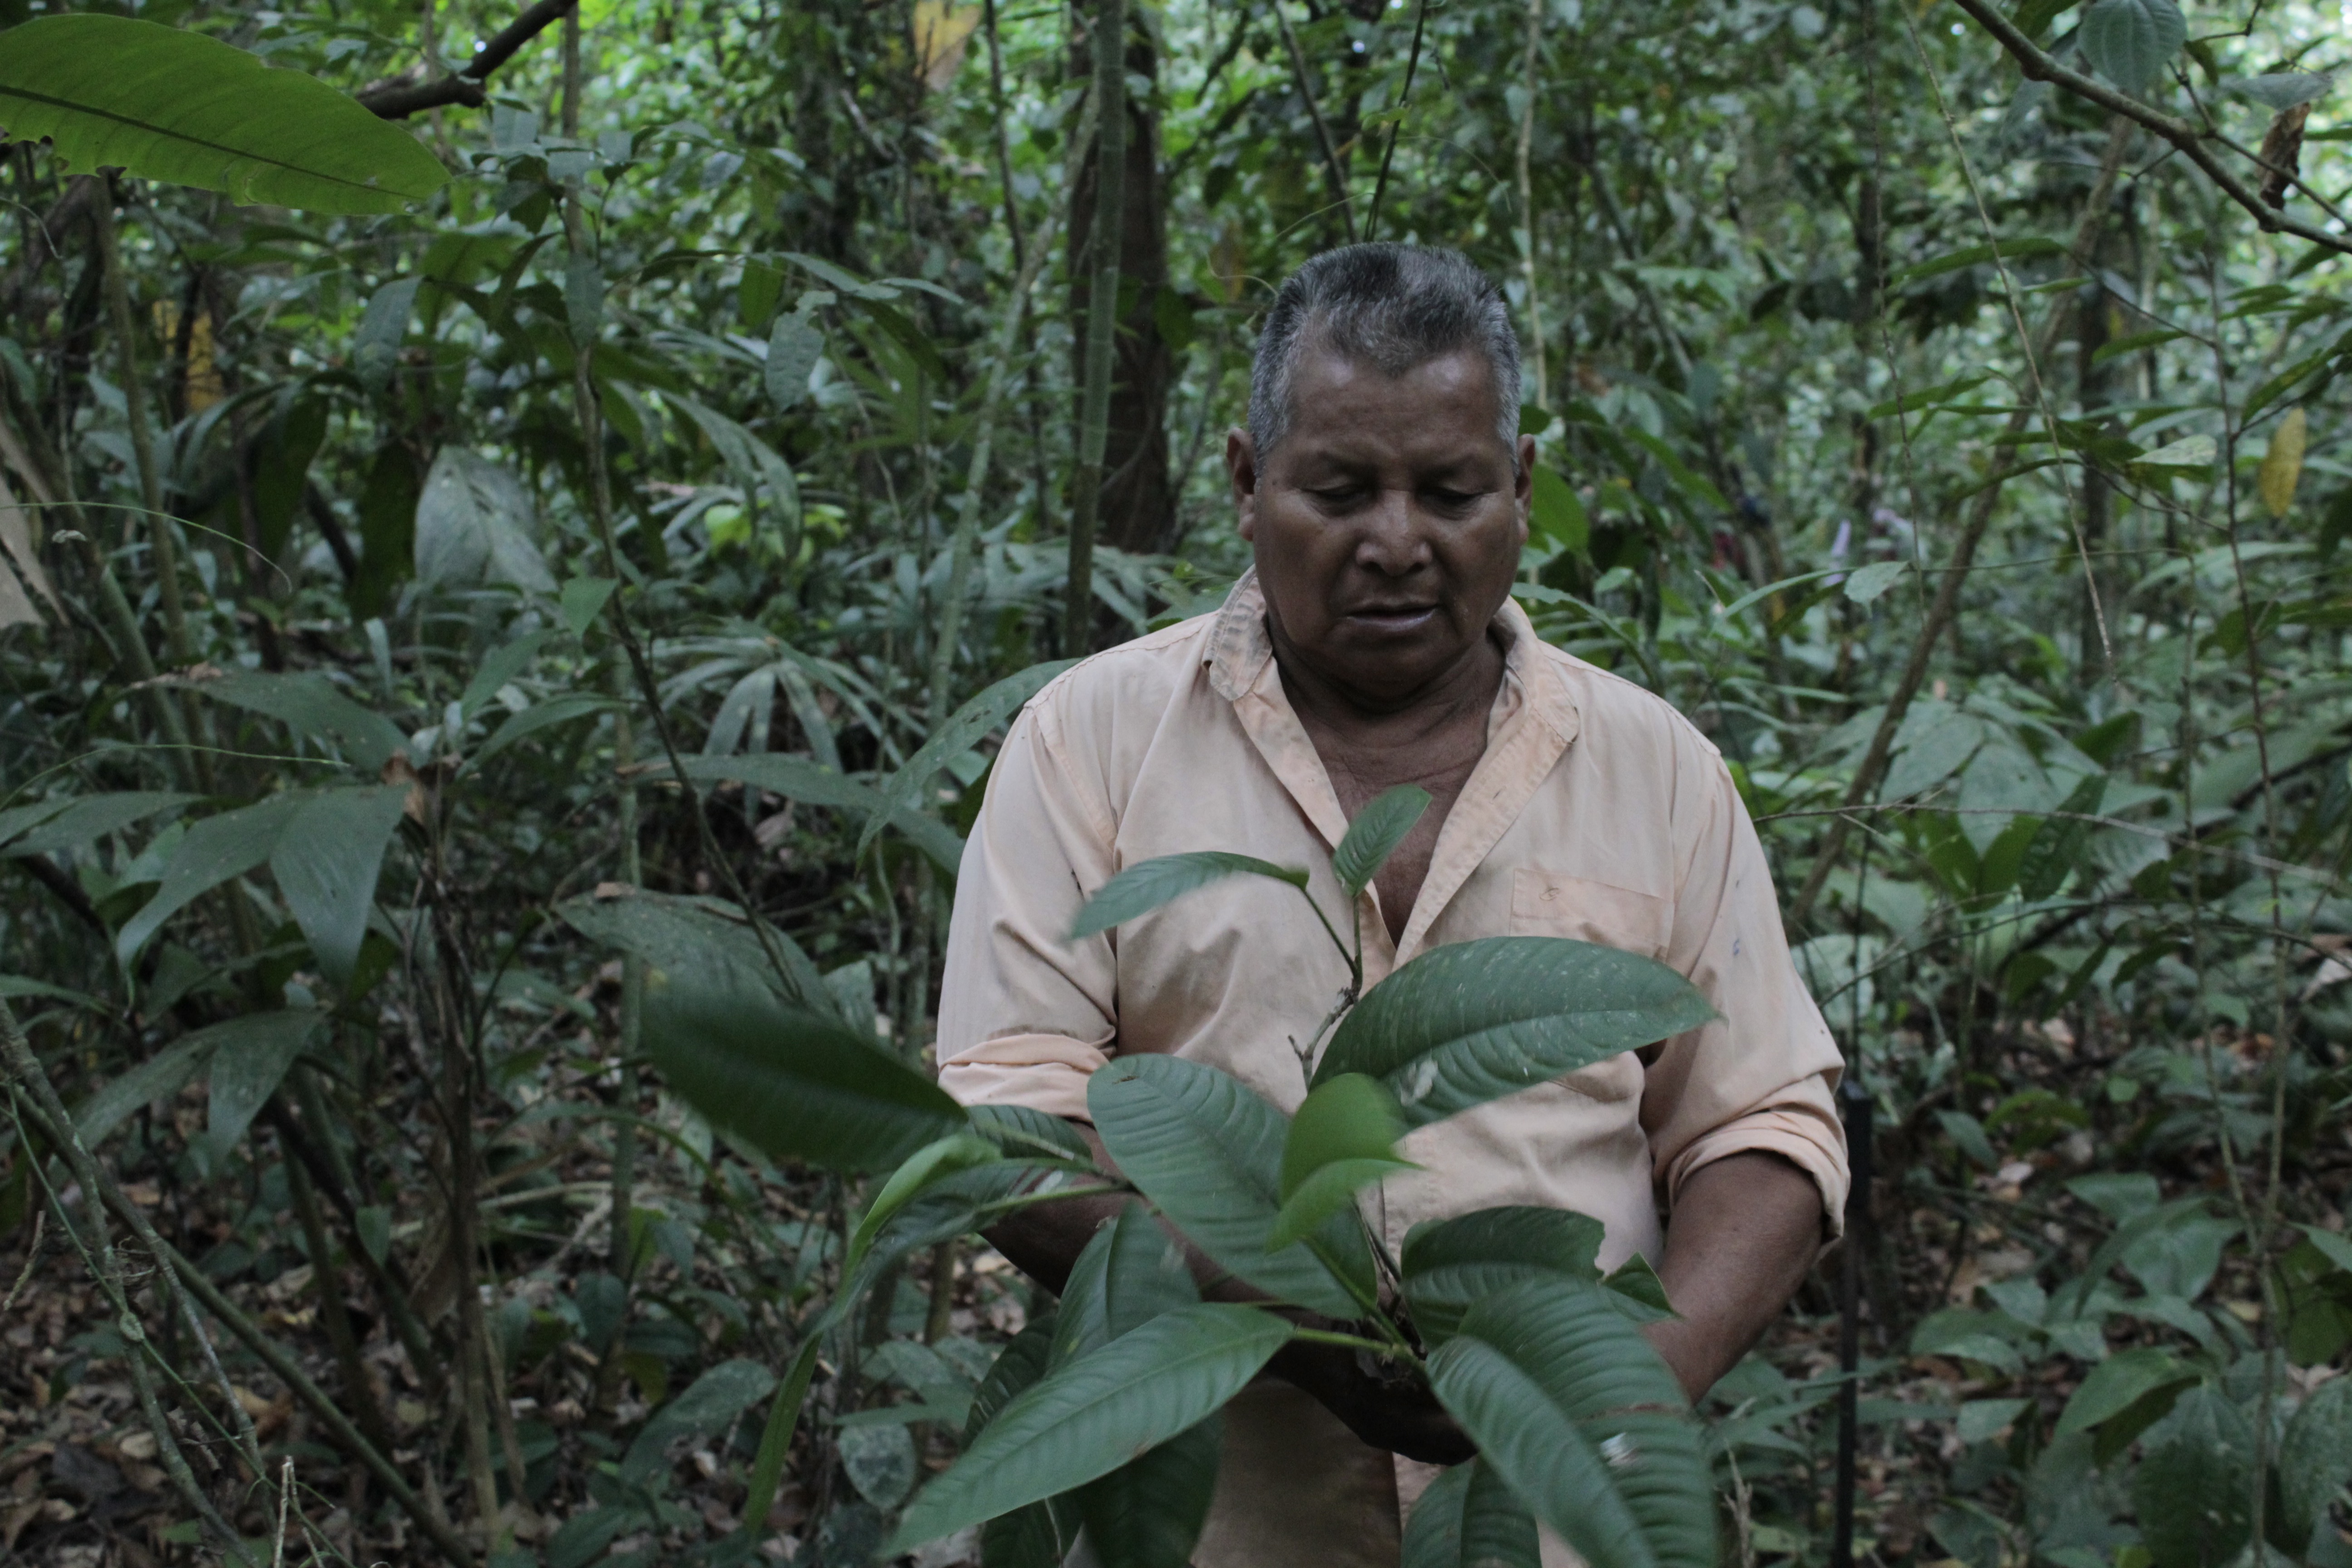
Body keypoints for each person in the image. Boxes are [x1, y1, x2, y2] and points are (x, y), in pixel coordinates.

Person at [935, 243, 1847, 1568]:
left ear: (1522, 489)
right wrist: (1295, 1321)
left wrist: (1610, 1395)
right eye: (1343, 489)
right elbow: (1003, 1118)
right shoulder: (1092, 742)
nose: (1398, 543)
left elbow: (1762, 1120)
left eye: (1452, 490)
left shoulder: (1657, 771)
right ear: (1249, 483)